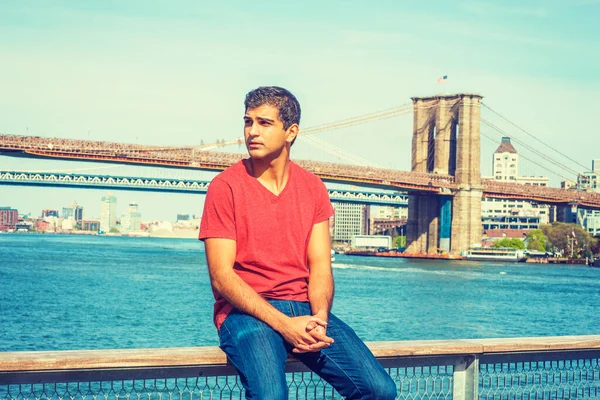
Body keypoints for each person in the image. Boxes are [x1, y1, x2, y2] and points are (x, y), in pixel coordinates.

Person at [199, 86, 397, 400]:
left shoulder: (313, 188)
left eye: (264, 123)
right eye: (248, 122)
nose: (252, 131)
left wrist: (319, 317)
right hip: (246, 313)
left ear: (291, 132)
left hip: (305, 308)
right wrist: (284, 325)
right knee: (271, 397)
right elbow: (222, 277)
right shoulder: (225, 187)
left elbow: (320, 267)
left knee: (379, 390)